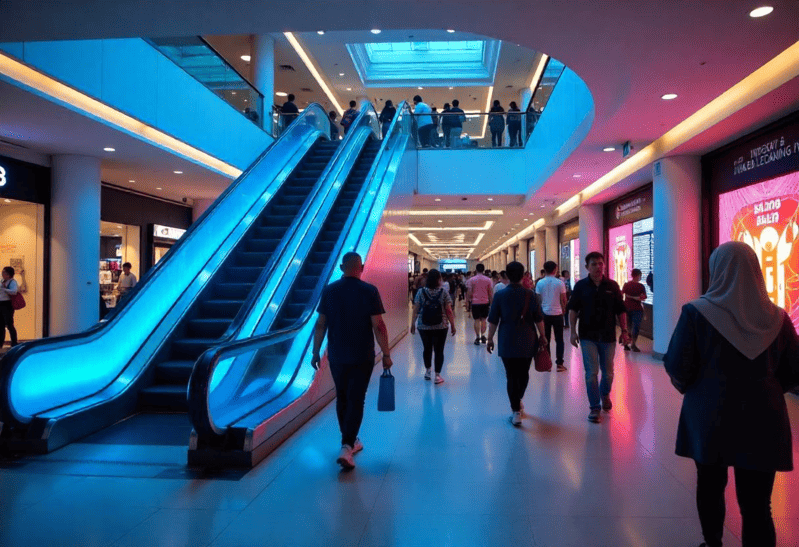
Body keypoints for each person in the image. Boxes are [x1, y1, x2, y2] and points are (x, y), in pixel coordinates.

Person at [664, 242, 799, 547]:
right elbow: (794, 370)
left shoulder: (696, 313)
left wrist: (695, 388)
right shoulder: (777, 318)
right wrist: (766, 387)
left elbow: (677, 365)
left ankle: (712, 542)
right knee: (758, 503)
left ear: (717, 270)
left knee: (710, 485)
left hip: (710, 414)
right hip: (764, 417)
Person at [312, 252, 392, 470]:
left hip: (337, 355)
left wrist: (315, 352)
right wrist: (386, 354)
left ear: (341, 267)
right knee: (357, 398)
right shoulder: (369, 291)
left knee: (343, 397)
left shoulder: (330, 290)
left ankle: (349, 441)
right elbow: (379, 325)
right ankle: (347, 446)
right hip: (362, 355)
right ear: (362, 267)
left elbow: (321, 324)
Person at [567, 251, 630, 423]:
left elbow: (621, 310)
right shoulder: (581, 286)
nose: (598, 267)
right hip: (587, 336)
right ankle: (594, 407)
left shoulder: (612, 285)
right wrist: (572, 331)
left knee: (608, 373)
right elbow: (573, 310)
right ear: (587, 267)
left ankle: (605, 394)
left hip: (608, 336)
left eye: (600, 263)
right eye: (594, 264)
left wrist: (624, 331)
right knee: (591, 373)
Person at [486, 261, 546, 426]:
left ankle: (515, 410)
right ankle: (518, 399)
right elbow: (538, 318)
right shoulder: (530, 295)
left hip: (507, 340)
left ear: (506, 275)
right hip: (528, 339)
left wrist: (490, 338)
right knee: (524, 373)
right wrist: (543, 335)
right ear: (523, 275)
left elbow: (493, 320)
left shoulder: (500, 295)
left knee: (511, 375)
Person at [410, 269, 456, 384]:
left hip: (423, 325)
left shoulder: (420, 292)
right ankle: (437, 376)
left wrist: (412, 324)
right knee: (439, 350)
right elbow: (448, 310)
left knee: (427, 348)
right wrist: (452, 324)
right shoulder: (443, 292)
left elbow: (416, 309)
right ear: (439, 280)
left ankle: (427, 372)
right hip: (441, 326)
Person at [536, 261, 568, 372]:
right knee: (559, 340)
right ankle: (560, 364)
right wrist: (563, 309)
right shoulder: (560, 283)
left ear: (544, 270)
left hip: (545, 314)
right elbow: (564, 299)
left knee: (546, 339)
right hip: (558, 314)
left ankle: (548, 364)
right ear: (555, 269)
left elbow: (538, 300)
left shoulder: (540, 283)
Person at [466, 263, 493, 345]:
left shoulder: (471, 280)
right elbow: (490, 293)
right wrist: (491, 303)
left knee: (477, 320)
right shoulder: (488, 280)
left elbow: (469, 292)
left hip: (475, 302)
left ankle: (478, 337)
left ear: (476, 269)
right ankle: (483, 335)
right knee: (484, 319)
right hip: (485, 302)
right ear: (483, 270)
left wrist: (468, 301)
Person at [622, 268, 647, 352]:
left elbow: (622, 294)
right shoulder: (641, 286)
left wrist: (630, 297)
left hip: (627, 308)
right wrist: (637, 298)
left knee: (628, 327)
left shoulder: (627, 285)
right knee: (636, 327)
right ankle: (633, 344)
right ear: (638, 276)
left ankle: (626, 344)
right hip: (637, 309)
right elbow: (644, 297)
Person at [0, 266, 19, 347]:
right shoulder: (2, 281)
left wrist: (4, 289)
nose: (2, 274)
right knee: (1, 325)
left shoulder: (12, 282)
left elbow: (14, 292)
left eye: (4, 272)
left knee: (9, 324)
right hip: (1, 303)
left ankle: (14, 342)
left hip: (7, 304)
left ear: (8, 274)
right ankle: (1, 343)